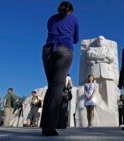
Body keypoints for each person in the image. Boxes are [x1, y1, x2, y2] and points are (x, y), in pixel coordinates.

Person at [40, 1, 79, 136]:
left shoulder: (51, 18)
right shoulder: (73, 19)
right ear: (71, 11)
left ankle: (45, 125)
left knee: (51, 86)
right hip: (64, 50)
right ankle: (50, 127)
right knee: (57, 86)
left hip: (48, 50)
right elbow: (76, 39)